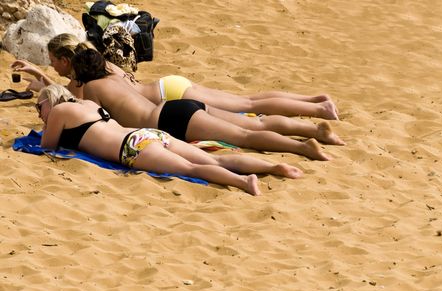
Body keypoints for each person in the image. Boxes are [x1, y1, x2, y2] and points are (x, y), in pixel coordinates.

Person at [72, 48, 338, 161]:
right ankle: (314, 131)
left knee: (245, 136)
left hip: (170, 120)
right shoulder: (116, 77)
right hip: (177, 106)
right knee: (255, 120)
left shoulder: (93, 87)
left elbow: (95, 121)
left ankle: (302, 147)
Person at [37, 84, 304, 195]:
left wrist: (48, 124)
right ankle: (271, 167)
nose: (39, 114)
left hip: (131, 149)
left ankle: (243, 181)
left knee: (191, 169)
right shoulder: (85, 104)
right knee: (213, 159)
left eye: (40, 107)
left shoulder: (59, 112)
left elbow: (47, 145)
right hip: (149, 135)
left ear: (51, 101)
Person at [12, 33, 339, 120]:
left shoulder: (82, 81)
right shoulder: (99, 63)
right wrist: (38, 74)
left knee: (246, 107)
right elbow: (60, 89)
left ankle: (318, 110)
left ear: (67, 60)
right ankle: (314, 100)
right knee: (248, 101)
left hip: (173, 99)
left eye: (54, 61)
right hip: (170, 86)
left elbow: (69, 101)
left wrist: (42, 81)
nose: (53, 66)